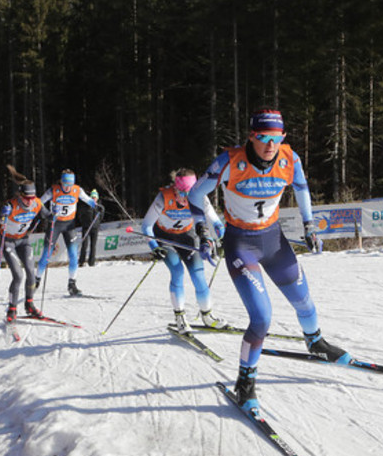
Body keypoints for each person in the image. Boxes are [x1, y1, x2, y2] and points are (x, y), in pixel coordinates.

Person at [188, 108, 351, 413]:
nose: (270, 145)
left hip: (274, 242)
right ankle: (245, 383)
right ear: (252, 136)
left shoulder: (291, 159)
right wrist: (202, 231)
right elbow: (196, 195)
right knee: (262, 318)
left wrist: (309, 225)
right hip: (241, 245)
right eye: (263, 137)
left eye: (276, 138)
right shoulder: (230, 161)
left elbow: (302, 190)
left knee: (304, 301)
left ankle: (315, 342)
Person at [141, 168, 227, 334]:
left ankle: (207, 315)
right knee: (178, 272)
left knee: (198, 274)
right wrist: (154, 247)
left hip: (187, 237)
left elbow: (216, 223)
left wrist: (219, 238)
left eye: (189, 192)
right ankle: (180, 317)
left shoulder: (200, 197)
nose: (185, 197)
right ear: (174, 188)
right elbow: (146, 226)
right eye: (181, 192)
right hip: (165, 238)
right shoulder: (164, 197)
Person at [0, 165, 53, 322]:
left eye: (32, 197)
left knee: (31, 273)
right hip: (8, 241)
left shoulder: (36, 203)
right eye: (27, 198)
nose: (30, 201)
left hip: (23, 240)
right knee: (18, 275)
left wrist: (52, 216)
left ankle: (29, 305)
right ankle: (11, 309)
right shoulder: (10, 205)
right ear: (20, 195)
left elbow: (46, 215)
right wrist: (1, 215)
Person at [35, 169, 96, 296]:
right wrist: (47, 214)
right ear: (61, 182)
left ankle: (72, 284)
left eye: (70, 184)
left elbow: (87, 199)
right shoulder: (54, 190)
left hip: (69, 225)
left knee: (73, 255)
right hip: (55, 225)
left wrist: (96, 205)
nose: (67, 187)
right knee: (46, 254)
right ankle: (36, 280)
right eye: (65, 184)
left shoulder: (77, 190)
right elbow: (39, 202)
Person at [78, 189, 104, 267]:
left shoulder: (99, 207)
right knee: (84, 245)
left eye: (95, 197)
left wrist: (98, 223)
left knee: (93, 245)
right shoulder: (86, 205)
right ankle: (81, 261)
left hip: (95, 228)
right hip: (86, 227)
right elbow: (80, 215)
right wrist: (83, 222)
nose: (94, 198)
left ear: (97, 198)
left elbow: (101, 217)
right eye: (92, 197)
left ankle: (91, 262)